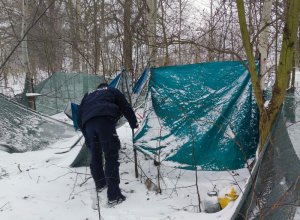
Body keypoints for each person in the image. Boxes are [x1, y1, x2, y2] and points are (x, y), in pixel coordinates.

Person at [78, 82, 138, 205]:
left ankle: (100, 184)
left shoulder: (88, 95)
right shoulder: (112, 90)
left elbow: (79, 117)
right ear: (106, 87)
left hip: (88, 125)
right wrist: (133, 123)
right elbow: (125, 107)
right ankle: (114, 196)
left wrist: (87, 137)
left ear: (97, 88)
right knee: (111, 156)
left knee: (95, 155)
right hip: (104, 121)